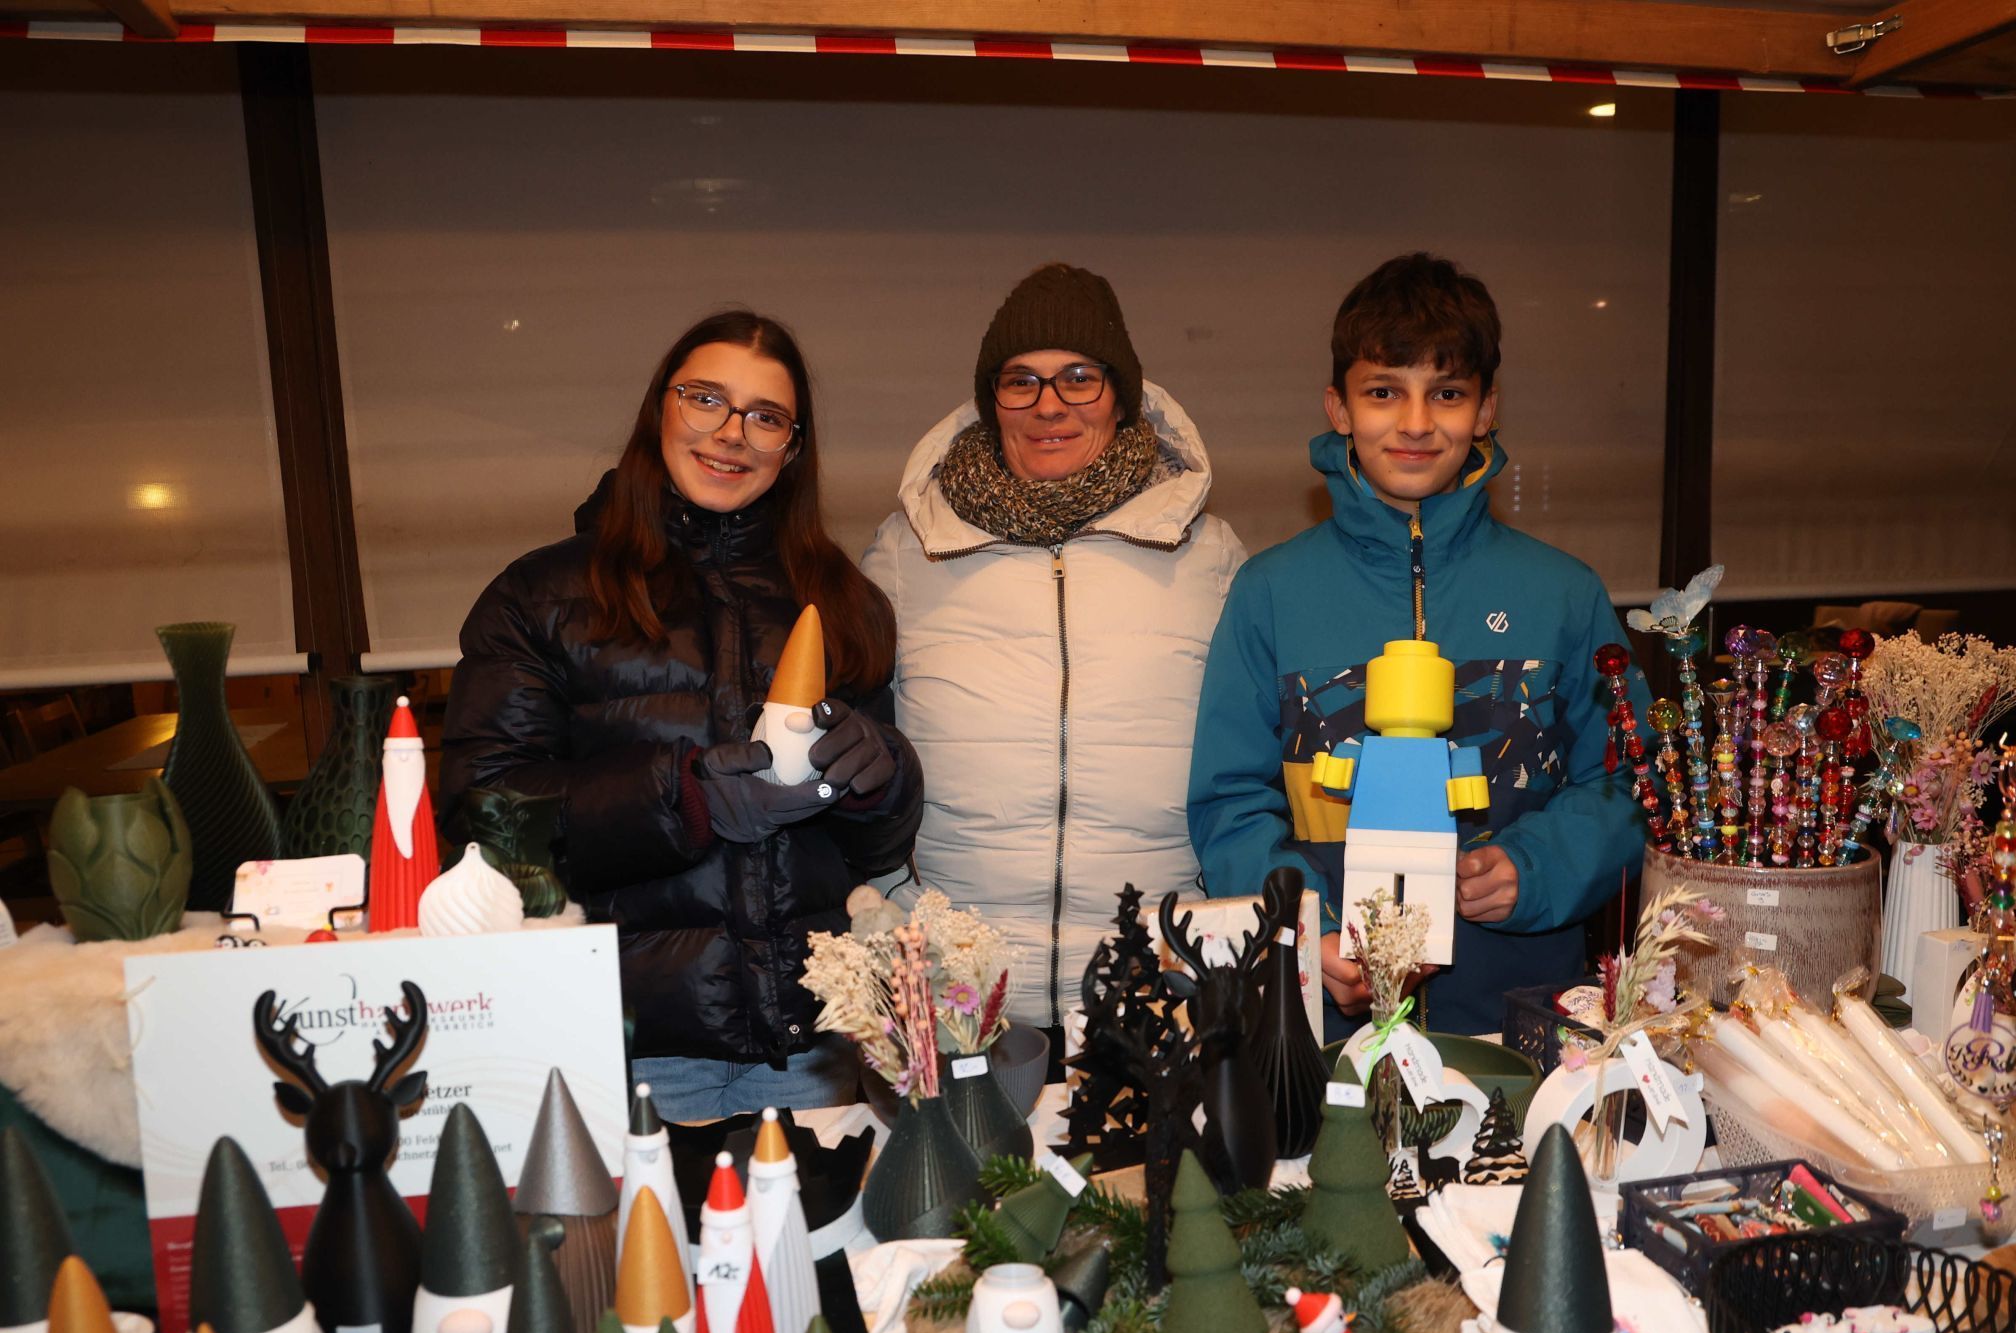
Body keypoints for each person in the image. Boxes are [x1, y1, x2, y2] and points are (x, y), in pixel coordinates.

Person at [441, 311, 922, 1116]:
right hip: (629, 1052)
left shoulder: (844, 600)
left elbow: (870, 849)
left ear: (792, 449)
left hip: (823, 1051)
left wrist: (884, 782)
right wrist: (685, 799)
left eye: (766, 417)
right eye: (706, 400)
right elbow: (480, 816)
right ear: (659, 409)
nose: (732, 434)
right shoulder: (542, 595)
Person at [1187, 253, 1648, 1036]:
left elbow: (1631, 779)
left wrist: (1537, 869)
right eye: (1382, 393)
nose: (1414, 423)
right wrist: (1307, 927)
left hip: (1521, 1008)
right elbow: (1231, 802)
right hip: (1327, 1023)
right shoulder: (1271, 592)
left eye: (1447, 393)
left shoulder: (1564, 594)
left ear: (1487, 408)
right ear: (1338, 408)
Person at [863, 264, 1245, 1047]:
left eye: (1079, 377)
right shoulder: (906, 554)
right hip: (959, 997)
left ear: (1122, 394)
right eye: (1021, 381)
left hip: (1156, 994)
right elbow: (863, 767)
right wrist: (890, 912)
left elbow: (1249, 768)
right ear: (988, 398)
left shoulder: (1210, 555)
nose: (1049, 406)